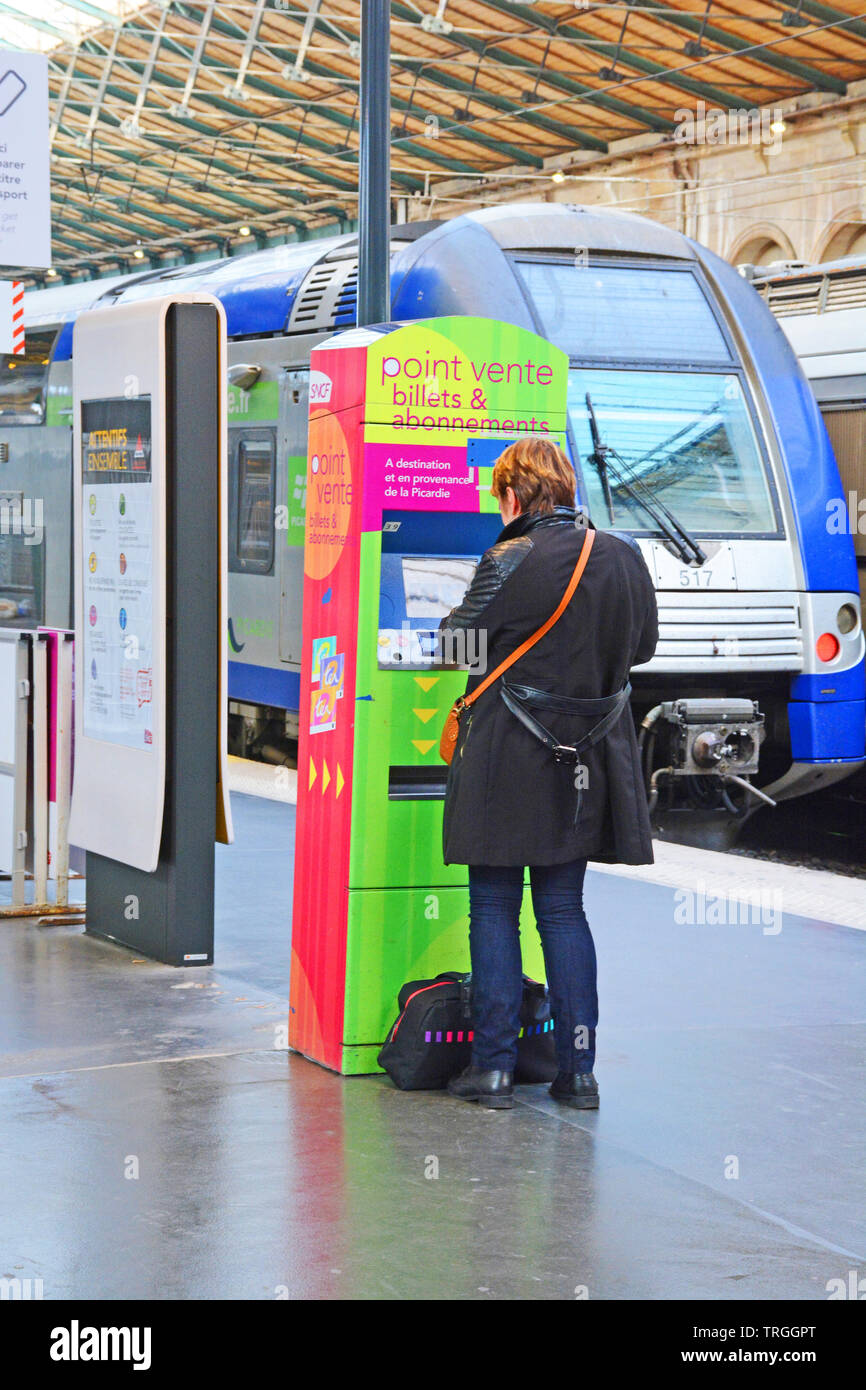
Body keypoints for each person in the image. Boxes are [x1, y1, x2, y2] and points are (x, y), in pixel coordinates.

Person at [440, 436, 658, 1111]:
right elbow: (643, 648)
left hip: (508, 757)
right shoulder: (621, 555)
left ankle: (496, 1068)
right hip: (584, 761)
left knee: (494, 909)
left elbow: (456, 645)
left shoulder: (509, 557)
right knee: (563, 913)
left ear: (512, 495)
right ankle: (578, 1073)